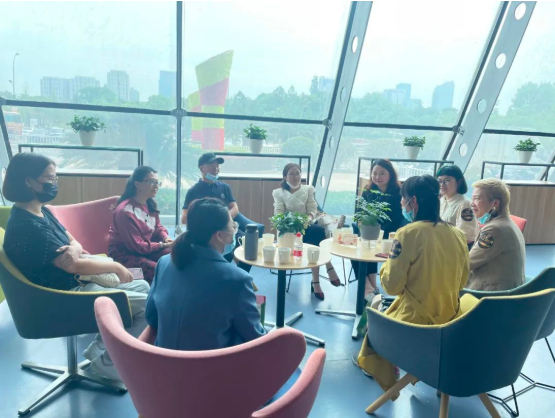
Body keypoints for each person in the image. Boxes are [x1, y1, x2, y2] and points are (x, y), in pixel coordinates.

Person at [2, 153, 149, 382]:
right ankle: (107, 364)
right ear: (28, 181)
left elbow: (73, 240)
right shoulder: (27, 226)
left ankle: (100, 348)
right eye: (49, 179)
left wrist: (74, 247)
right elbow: (73, 266)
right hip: (61, 296)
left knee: (142, 286)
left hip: (74, 282)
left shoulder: (41, 212)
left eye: (55, 178)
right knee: (148, 307)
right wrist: (114, 266)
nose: (54, 183)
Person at [354, 175, 469, 393]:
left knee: (375, 309)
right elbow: (463, 281)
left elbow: (392, 286)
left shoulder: (407, 233)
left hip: (415, 324)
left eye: (402, 198)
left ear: (413, 201)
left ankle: (385, 366)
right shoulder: (458, 235)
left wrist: (388, 264)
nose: (401, 203)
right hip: (450, 322)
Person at [146, 198, 266, 350]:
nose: (234, 232)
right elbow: (256, 340)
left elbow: (152, 318)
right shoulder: (238, 280)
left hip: (162, 360)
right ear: (219, 235)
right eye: (233, 227)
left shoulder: (164, 263)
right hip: (212, 364)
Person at [181, 153, 264, 272]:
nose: (216, 169)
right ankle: (222, 270)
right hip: (208, 232)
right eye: (212, 166)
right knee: (222, 246)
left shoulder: (225, 187)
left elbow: (235, 208)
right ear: (202, 168)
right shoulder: (193, 191)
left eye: (217, 166)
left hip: (228, 227)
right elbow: (184, 218)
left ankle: (240, 273)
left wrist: (223, 218)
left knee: (249, 244)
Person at [272, 163, 341, 300]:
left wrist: (307, 219)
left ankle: (316, 280)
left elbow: (312, 209)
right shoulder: (279, 193)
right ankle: (326, 269)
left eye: (297, 173)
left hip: (306, 225)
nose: (295, 177)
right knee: (313, 235)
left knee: (317, 231)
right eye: (291, 174)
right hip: (289, 228)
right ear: (285, 177)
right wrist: (289, 222)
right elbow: (278, 213)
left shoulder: (308, 189)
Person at [351, 159, 406, 300]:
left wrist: (378, 231)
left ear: (390, 174)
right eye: (374, 173)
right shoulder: (368, 190)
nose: (377, 177)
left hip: (391, 232)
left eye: (382, 173)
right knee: (355, 250)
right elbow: (360, 212)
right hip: (369, 231)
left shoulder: (399, 191)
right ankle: (370, 287)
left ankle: (368, 288)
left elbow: (397, 218)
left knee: (366, 246)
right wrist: (364, 226)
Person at [108, 166, 172, 284]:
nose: (156, 186)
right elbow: (137, 246)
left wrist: (165, 237)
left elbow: (158, 227)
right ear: (137, 184)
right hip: (124, 257)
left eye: (157, 182)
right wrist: (162, 245)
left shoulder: (149, 204)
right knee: (159, 271)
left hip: (146, 251)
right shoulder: (126, 211)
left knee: (174, 258)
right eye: (151, 182)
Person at [468, 178, 525, 291]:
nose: (472, 203)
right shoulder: (506, 222)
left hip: (491, 295)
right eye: (472, 198)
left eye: (477, 198)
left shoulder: (495, 229)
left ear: (495, 203)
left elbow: (466, 264)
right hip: (507, 288)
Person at [437, 164, 478, 248]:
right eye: (440, 181)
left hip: (454, 249)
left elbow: (466, 236)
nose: (442, 184)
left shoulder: (465, 204)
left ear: (459, 182)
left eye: (447, 180)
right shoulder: (441, 201)